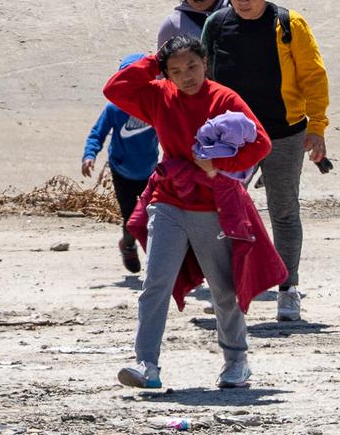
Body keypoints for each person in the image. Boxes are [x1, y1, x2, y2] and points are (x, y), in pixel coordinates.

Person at [104, 37, 271, 389]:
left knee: (223, 288)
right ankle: (146, 364)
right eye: (176, 70)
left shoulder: (224, 99)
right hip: (168, 201)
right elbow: (114, 89)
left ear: (205, 62)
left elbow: (261, 143)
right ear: (166, 73)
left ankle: (236, 363)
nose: (186, 76)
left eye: (192, 66)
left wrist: (220, 163)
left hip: (211, 205)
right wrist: (154, 60)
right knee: (155, 284)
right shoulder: (159, 95)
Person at [198, 0, 329, 322]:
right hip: (231, 138)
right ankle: (230, 287)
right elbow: (202, 80)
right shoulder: (217, 24)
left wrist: (317, 127)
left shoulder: (289, 24)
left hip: (283, 133)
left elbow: (314, 77)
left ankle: (288, 289)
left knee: (284, 210)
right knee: (223, 212)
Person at [82, 53, 161, 275]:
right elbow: (97, 134)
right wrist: (90, 155)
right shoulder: (114, 109)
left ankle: (160, 262)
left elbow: (174, 129)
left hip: (151, 170)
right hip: (122, 171)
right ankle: (127, 245)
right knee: (130, 218)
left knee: (155, 216)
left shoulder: (155, 104)